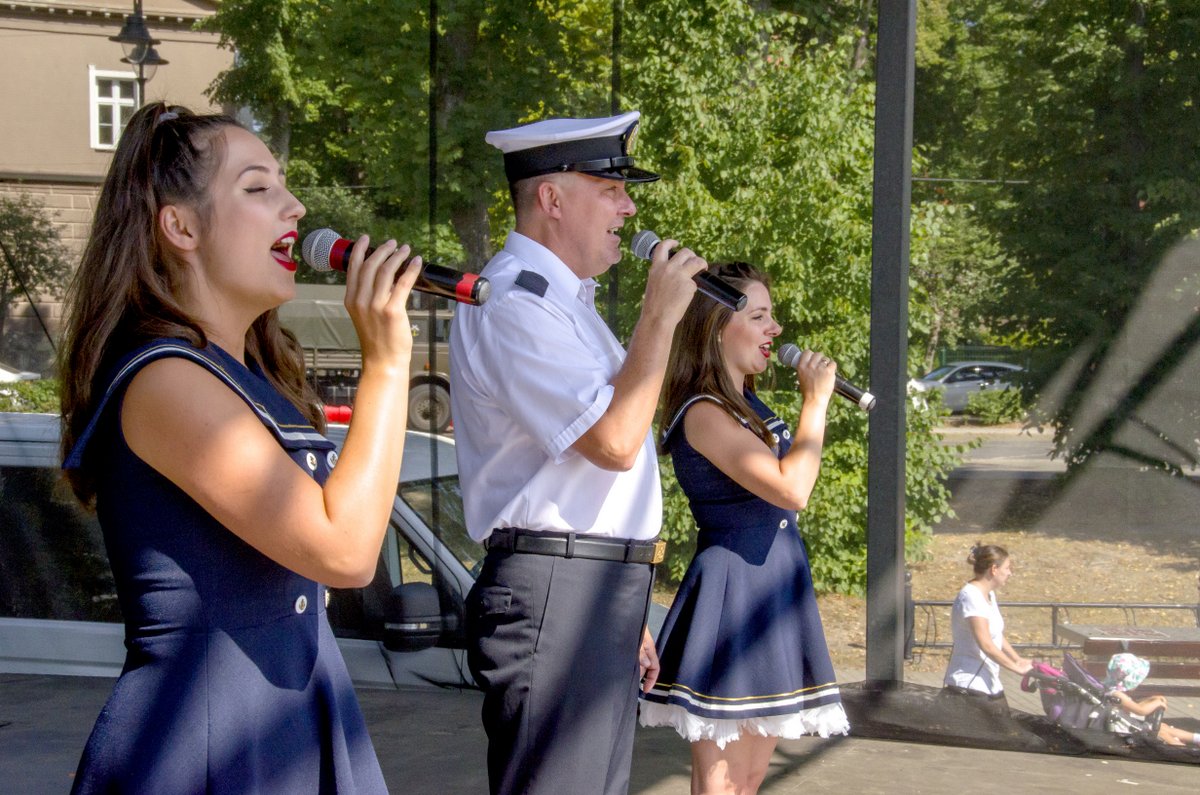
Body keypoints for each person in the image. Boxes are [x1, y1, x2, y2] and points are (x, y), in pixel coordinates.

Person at [59, 102, 422, 793]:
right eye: (258, 188)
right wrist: (385, 362)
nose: (294, 207)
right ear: (181, 225)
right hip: (200, 742)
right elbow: (345, 550)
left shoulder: (250, 374)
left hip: (288, 718)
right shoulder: (165, 378)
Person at [449, 111, 707, 795]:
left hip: (588, 589)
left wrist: (623, 605)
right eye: (611, 187)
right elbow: (616, 443)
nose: (629, 206)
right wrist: (657, 317)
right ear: (552, 198)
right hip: (555, 591)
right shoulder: (513, 301)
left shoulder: (566, 304)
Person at [638, 261, 850, 795]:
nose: (775, 331)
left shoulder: (747, 404)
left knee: (751, 777)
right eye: (759, 316)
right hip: (733, 593)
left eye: (771, 316)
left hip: (775, 588)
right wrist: (815, 402)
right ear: (715, 326)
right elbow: (792, 489)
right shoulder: (703, 412)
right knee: (721, 781)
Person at [943, 543, 1033, 707]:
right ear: (994, 569)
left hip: (989, 684)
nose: (1010, 573)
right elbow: (986, 644)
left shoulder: (988, 594)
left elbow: (995, 634)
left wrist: (1017, 659)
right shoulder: (971, 596)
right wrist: (1015, 668)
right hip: (969, 685)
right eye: (1007, 568)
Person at [1103, 653, 1200, 747]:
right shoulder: (1117, 695)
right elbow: (1141, 711)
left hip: (1129, 725)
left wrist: (1151, 699)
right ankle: (1182, 749)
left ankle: (1196, 738)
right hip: (1127, 731)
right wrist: (1157, 703)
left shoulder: (1112, 691)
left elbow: (1134, 706)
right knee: (1161, 733)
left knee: (1163, 726)